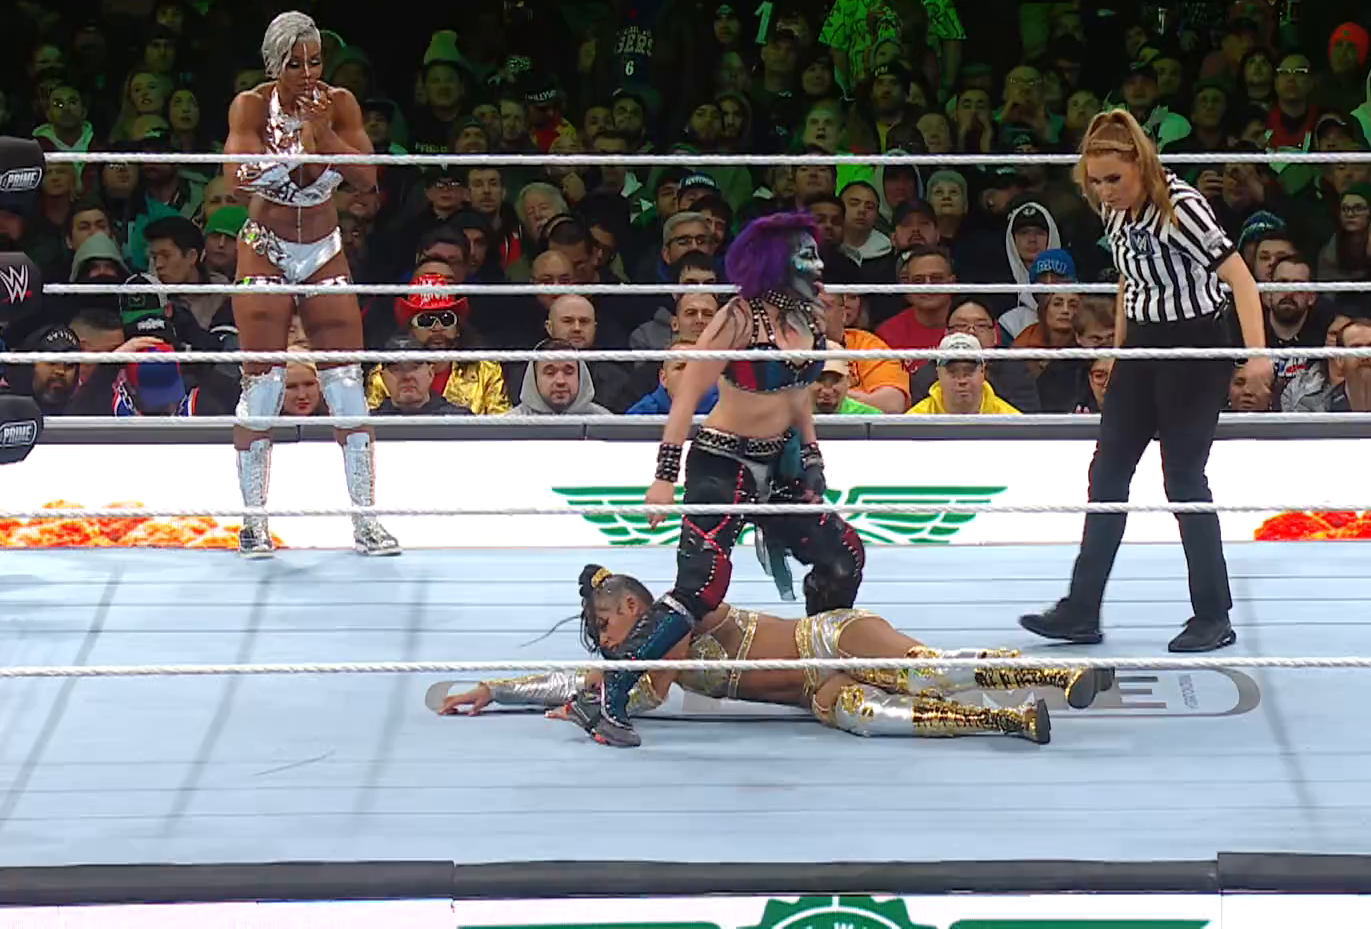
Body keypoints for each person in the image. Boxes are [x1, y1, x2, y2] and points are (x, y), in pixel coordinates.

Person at [595, 212, 864, 746]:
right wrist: (664, 477)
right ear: (777, 263)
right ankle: (611, 691)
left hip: (779, 464)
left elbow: (799, 396)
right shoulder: (738, 318)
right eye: (806, 255)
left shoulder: (811, 318)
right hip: (721, 463)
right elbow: (687, 397)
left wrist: (812, 454)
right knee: (701, 589)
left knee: (842, 556)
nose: (817, 264)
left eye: (816, 253)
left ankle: (820, 664)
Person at [1020, 109, 1268, 653]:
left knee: (1183, 479)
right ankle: (1081, 608)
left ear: (1141, 164)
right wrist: (1119, 348)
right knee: (1107, 473)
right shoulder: (1114, 210)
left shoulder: (1181, 206)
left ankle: (1214, 614)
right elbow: (1128, 278)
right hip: (1141, 345)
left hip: (1196, 346)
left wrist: (1256, 355)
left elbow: (1241, 279)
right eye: (1096, 181)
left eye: (1114, 178)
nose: (1105, 191)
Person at [439, 566, 1115, 746]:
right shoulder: (635, 667)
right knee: (869, 718)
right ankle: (1009, 719)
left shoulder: (682, 608)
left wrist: (597, 691)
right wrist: (497, 689)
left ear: (633, 605)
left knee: (926, 670)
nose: (605, 639)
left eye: (605, 624)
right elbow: (589, 681)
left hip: (827, 639)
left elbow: (641, 684)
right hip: (812, 694)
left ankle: (1054, 673)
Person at [223, 11, 396, 558]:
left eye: (315, 62)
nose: (307, 73)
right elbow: (235, 179)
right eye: (295, 64)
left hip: (324, 249)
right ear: (274, 65)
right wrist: (295, 152)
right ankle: (253, 522)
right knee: (263, 386)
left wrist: (323, 135)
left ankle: (366, 521)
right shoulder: (251, 106)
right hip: (266, 247)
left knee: (346, 386)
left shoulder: (339, 104)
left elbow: (367, 178)